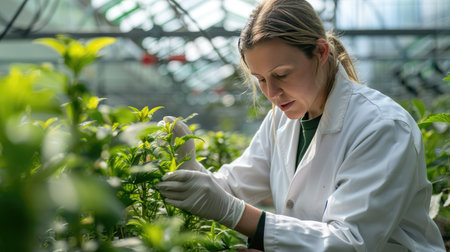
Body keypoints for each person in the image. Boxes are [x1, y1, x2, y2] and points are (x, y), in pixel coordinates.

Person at [156, 0, 446, 251]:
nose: (271, 93)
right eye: (260, 79)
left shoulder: (382, 127)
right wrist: (191, 173)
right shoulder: (281, 118)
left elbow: (349, 243)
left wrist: (233, 213)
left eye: (281, 74)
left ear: (320, 52)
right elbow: (234, 186)